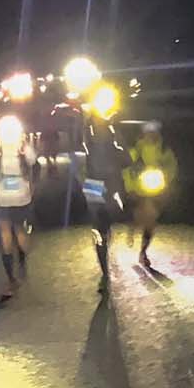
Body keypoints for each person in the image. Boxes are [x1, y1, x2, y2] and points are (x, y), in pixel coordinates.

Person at [0, 117, 36, 296]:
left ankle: (11, 279)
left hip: (2, 196)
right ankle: (23, 262)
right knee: (20, 229)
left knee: (5, 233)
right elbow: (34, 164)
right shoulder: (23, 145)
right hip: (21, 194)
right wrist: (32, 184)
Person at [123, 120, 178, 269]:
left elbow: (172, 166)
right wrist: (130, 187)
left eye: (154, 133)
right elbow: (127, 167)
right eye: (148, 133)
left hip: (156, 188)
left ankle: (143, 252)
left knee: (151, 221)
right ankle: (132, 228)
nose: (151, 136)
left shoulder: (164, 149)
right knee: (140, 215)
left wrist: (165, 177)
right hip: (139, 188)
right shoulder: (137, 149)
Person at [81, 117, 127, 292]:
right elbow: (126, 159)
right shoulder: (105, 136)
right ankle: (105, 269)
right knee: (101, 226)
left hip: (97, 184)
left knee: (100, 226)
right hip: (102, 184)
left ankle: (105, 269)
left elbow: (126, 159)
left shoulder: (94, 136)